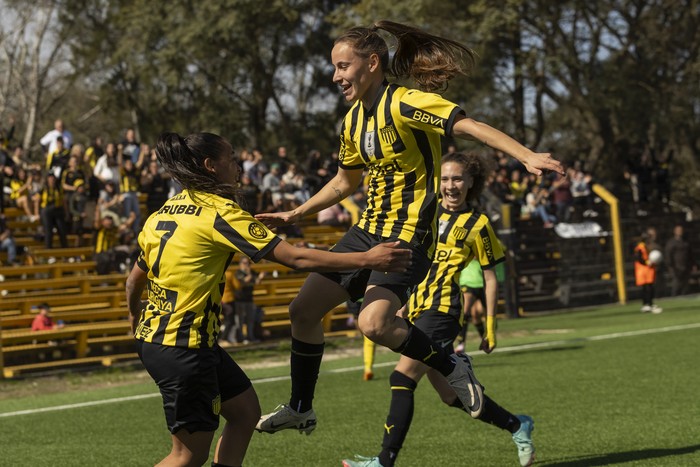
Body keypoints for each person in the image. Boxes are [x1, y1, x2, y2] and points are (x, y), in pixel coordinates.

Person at [255, 20, 562, 436]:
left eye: (343, 66)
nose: (335, 76)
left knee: (374, 324)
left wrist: (526, 155)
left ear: (372, 63)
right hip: (367, 230)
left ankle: (451, 363)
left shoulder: (405, 103)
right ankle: (301, 407)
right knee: (302, 311)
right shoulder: (351, 122)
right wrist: (295, 214)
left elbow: (468, 126)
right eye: (334, 67)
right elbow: (345, 182)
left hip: (408, 232)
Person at [125, 132, 411, 467]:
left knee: (245, 413)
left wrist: (134, 317)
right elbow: (296, 259)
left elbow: (134, 280)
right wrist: (367, 259)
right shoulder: (220, 214)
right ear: (210, 166)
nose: (238, 165)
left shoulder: (163, 212)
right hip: (182, 347)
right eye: (231, 157)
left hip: (171, 340)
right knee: (188, 455)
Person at [342, 153, 534, 467]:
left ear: (471, 182)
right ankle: (517, 425)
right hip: (415, 308)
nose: (450, 185)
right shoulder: (425, 214)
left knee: (402, 377)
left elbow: (489, 276)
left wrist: (489, 327)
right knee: (450, 396)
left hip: (443, 311)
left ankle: (384, 462)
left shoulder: (478, 224)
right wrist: (401, 304)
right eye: (445, 179)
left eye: (457, 178)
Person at [233, 257, 265, 343]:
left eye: (248, 263)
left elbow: (257, 282)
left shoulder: (251, 272)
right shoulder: (238, 273)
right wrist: (249, 273)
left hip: (249, 299)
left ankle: (250, 337)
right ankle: (241, 338)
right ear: (240, 264)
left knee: (250, 320)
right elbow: (245, 281)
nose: (246, 265)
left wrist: (261, 276)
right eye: (244, 263)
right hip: (240, 300)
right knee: (240, 321)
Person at [634, 227, 662, 313]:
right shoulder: (640, 247)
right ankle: (647, 304)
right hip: (643, 270)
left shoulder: (645, 246)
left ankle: (649, 304)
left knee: (649, 287)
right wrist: (647, 262)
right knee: (646, 288)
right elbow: (639, 258)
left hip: (647, 270)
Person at [664, 224, 696, 297]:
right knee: (677, 284)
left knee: (686, 285)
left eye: (681, 230)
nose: (680, 232)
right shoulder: (671, 243)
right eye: (678, 230)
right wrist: (670, 266)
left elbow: (690, 254)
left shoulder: (686, 242)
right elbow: (668, 255)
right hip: (676, 267)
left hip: (686, 266)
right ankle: (674, 298)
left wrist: (693, 264)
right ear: (674, 232)